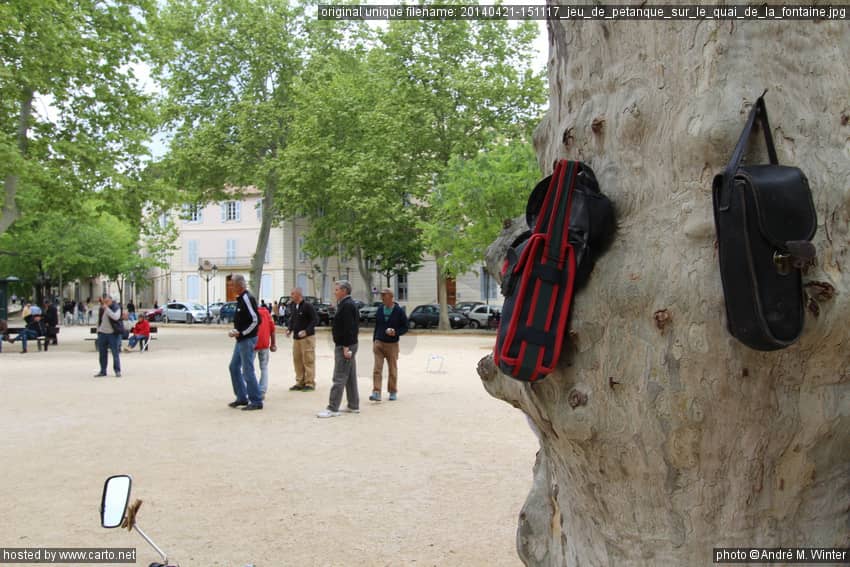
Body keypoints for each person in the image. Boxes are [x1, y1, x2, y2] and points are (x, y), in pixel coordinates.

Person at [317, 280, 360, 418]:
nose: (334, 292)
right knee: (350, 376)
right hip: (349, 344)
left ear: (344, 290)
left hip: (345, 345)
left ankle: (332, 408)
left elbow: (348, 328)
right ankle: (353, 405)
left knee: (339, 376)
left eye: (336, 289)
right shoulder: (347, 304)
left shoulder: (346, 305)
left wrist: (346, 347)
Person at [227, 274, 263, 411]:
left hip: (247, 339)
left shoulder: (247, 298)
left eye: (233, 284)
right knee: (233, 367)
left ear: (240, 285)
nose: (232, 287)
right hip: (241, 338)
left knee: (248, 370)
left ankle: (256, 400)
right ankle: (242, 396)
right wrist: (236, 331)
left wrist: (242, 333)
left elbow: (256, 320)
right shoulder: (241, 299)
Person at [370, 288, 408, 402]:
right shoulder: (380, 309)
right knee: (377, 369)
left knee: (392, 369)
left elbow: (405, 327)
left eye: (384, 296)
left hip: (392, 344)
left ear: (391, 297)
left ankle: (392, 391)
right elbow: (377, 325)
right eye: (382, 296)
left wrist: (395, 332)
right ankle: (376, 392)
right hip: (379, 343)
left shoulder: (399, 311)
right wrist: (374, 339)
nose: (382, 299)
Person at [286, 287, 318, 392]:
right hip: (296, 339)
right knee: (297, 360)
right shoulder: (293, 306)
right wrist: (289, 329)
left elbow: (315, 320)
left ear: (299, 294)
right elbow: (292, 319)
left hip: (307, 338)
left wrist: (307, 331)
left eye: (292, 294)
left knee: (308, 360)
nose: (291, 296)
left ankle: (310, 383)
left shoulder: (307, 306)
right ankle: (299, 382)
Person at [94, 294, 122, 377]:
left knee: (115, 353)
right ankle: (103, 371)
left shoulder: (116, 307)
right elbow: (100, 320)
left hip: (112, 333)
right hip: (102, 333)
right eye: (104, 301)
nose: (105, 303)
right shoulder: (102, 308)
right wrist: (98, 330)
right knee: (102, 353)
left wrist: (107, 308)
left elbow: (116, 317)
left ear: (111, 300)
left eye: (107, 301)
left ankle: (117, 370)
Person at [255, 305, 277, 399]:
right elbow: (272, 330)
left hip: (253, 343)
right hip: (264, 343)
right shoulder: (267, 315)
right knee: (264, 367)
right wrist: (273, 344)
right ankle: (262, 390)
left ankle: (251, 389)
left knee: (249, 368)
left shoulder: (253, 313)